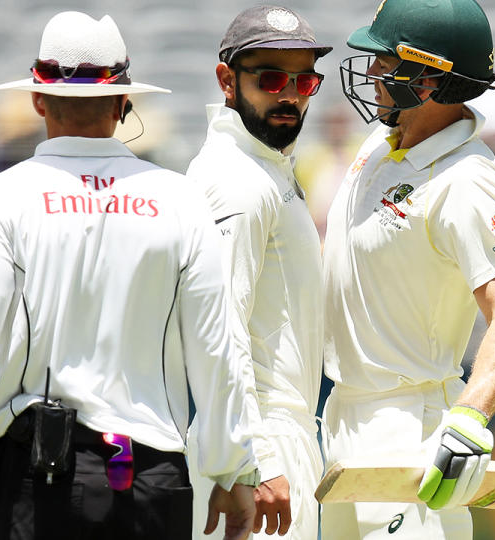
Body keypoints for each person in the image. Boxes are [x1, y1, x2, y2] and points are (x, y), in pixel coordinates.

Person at [0, 11, 262, 540]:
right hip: (150, 482)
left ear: (36, 100)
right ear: (124, 103)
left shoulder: (4, 197)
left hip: (39, 475)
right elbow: (218, 348)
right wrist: (236, 470)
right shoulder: (179, 198)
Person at [320, 0, 495, 538]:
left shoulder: (467, 180)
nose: (371, 73)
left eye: (387, 63)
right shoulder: (382, 142)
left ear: (429, 79)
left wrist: (468, 420)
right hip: (343, 415)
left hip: (409, 425)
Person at [184, 6, 331, 539]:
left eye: (305, 80)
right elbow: (220, 333)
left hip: (275, 436)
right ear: (228, 81)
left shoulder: (267, 169)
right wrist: (258, 460)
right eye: (270, 77)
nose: (289, 94)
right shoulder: (238, 183)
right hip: (260, 443)